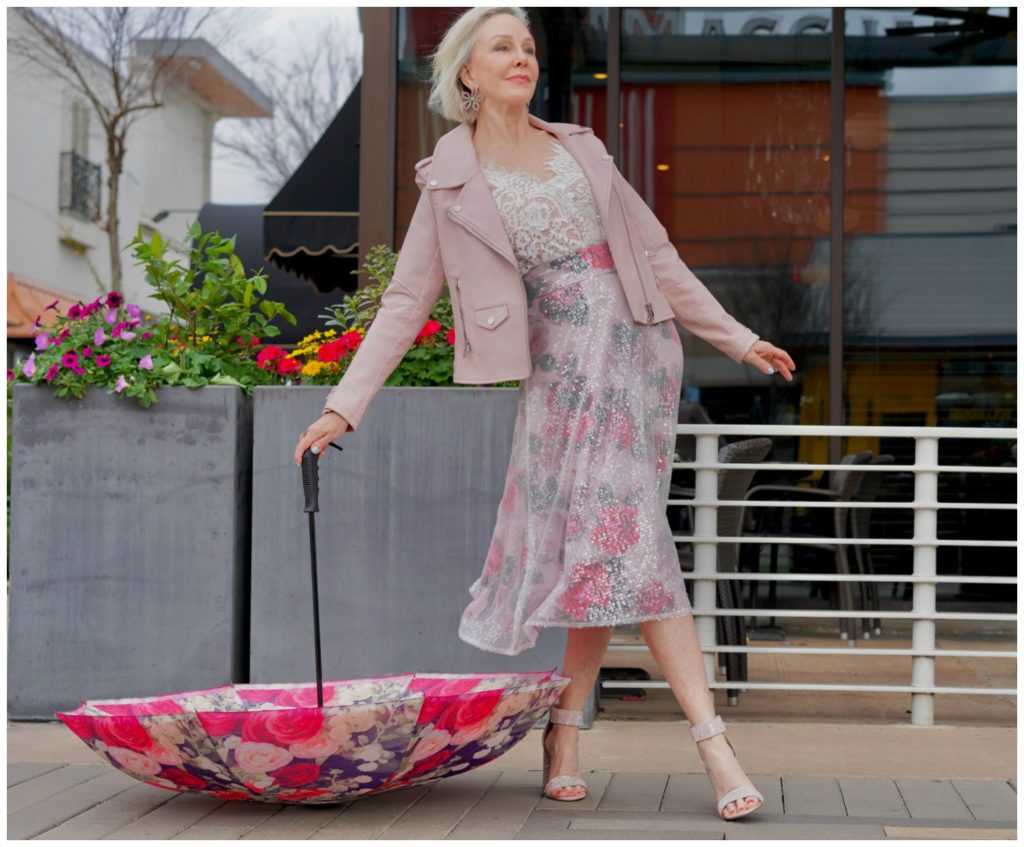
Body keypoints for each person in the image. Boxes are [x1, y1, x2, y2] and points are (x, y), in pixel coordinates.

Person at [294, 7, 795, 821]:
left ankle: (564, 731)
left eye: (528, 46)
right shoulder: (450, 183)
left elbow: (657, 254)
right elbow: (405, 301)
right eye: (502, 46)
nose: (520, 57)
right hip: (563, 381)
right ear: (466, 73)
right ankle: (713, 743)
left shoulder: (582, 150)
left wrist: (738, 340)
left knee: (607, 551)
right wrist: (341, 408)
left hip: (636, 362)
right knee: (624, 542)